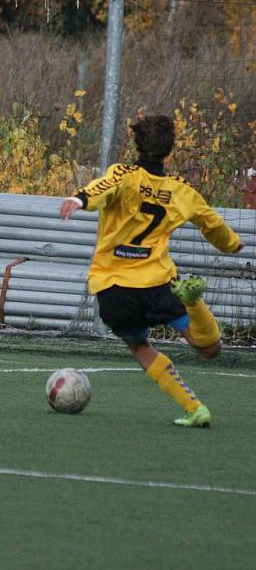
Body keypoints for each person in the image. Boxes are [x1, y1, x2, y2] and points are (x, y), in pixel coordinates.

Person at [59, 114, 244, 427]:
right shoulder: (181, 190)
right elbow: (210, 221)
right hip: (158, 282)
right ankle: (194, 303)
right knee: (209, 348)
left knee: (140, 346)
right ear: (169, 150)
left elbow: (100, 187)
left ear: (136, 144)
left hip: (114, 286)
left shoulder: (123, 175)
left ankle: (194, 408)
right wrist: (231, 244)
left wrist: (78, 199)